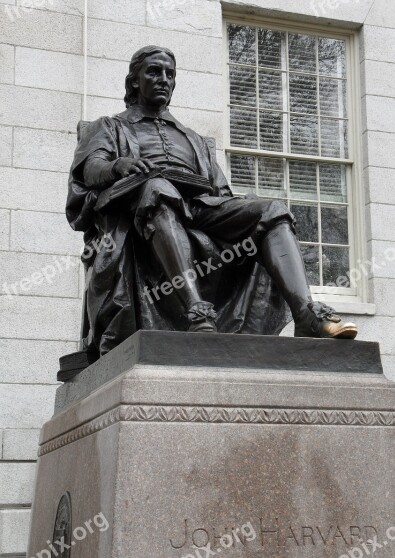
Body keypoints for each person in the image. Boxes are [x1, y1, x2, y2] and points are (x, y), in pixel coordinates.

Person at [66, 45, 357, 358]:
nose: (164, 79)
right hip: (145, 207)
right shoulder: (109, 127)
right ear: (135, 81)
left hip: (202, 207)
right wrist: (118, 166)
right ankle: (197, 312)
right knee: (158, 189)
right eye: (153, 72)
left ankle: (306, 313)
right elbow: (91, 169)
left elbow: (220, 190)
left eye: (170, 74)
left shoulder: (192, 138)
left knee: (273, 209)